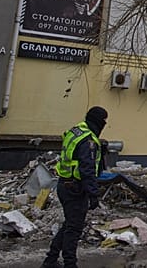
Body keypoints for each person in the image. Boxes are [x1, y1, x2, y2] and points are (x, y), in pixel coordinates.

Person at [42, 107, 108, 268]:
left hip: (64, 184)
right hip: (75, 189)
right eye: (104, 121)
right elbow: (87, 169)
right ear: (98, 121)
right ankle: (70, 263)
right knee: (74, 229)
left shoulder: (76, 131)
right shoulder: (89, 140)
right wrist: (93, 194)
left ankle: (50, 260)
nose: (105, 124)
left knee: (69, 225)